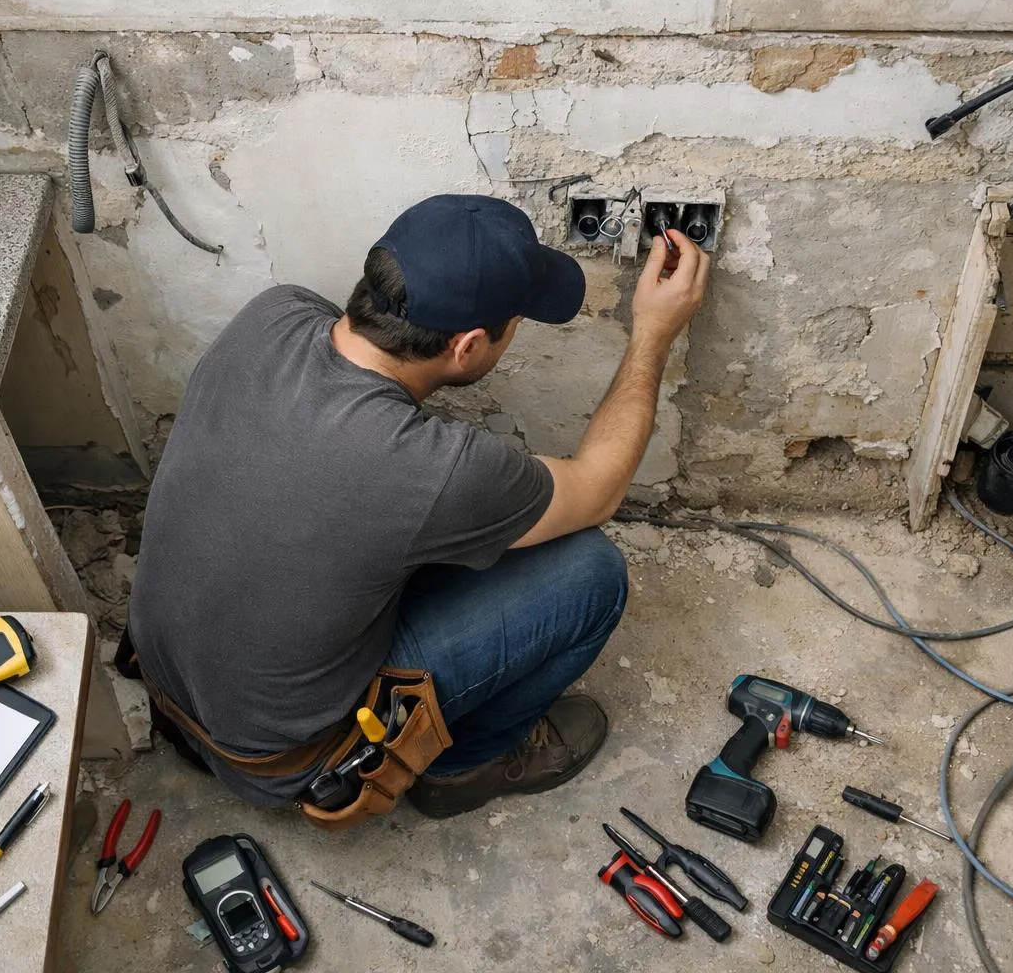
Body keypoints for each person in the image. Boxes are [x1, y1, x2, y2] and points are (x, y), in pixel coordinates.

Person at [128, 194, 708, 818]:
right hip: (280, 761)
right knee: (590, 573)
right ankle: (463, 767)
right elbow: (598, 488)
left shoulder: (273, 314)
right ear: (467, 348)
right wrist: (653, 334)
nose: (513, 336)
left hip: (171, 691)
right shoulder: (438, 470)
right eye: (516, 324)